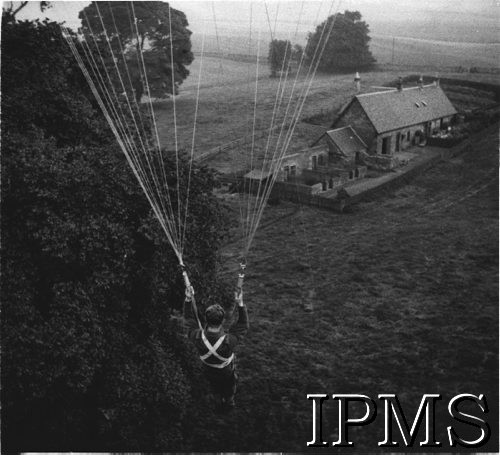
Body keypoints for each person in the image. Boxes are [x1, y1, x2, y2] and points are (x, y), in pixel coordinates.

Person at [184, 286, 249, 409]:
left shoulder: (197, 337)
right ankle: (229, 402)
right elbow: (243, 324)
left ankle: (218, 401)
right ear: (222, 320)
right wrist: (240, 304)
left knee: (214, 387)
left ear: (206, 320)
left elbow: (188, 319)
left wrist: (188, 299)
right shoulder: (229, 341)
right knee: (229, 387)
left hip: (208, 371)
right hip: (226, 372)